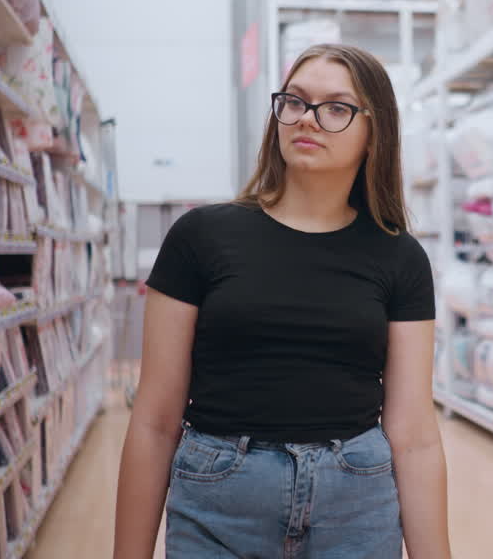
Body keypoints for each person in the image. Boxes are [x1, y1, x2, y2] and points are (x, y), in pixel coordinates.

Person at [113, 44, 451, 559]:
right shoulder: (200, 238)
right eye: (294, 101)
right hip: (218, 502)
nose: (308, 119)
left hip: (356, 505)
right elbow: (156, 420)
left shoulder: (399, 257)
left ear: (374, 131)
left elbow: (414, 435)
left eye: (336, 108)